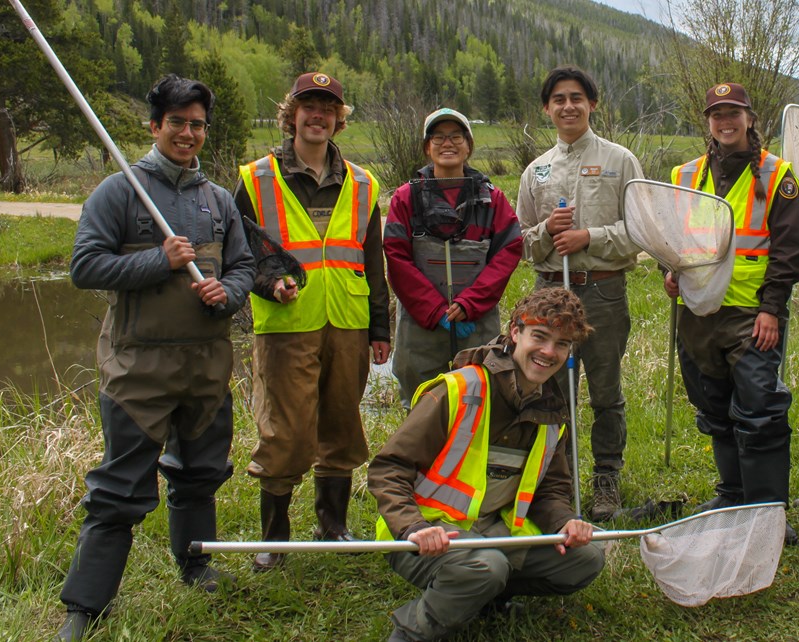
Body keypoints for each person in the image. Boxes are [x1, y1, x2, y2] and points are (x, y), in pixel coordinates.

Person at [59, 74, 255, 641]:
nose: (188, 134)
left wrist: (231, 292)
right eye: (177, 123)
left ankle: (195, 565)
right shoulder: (118, 192)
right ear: (155, 127)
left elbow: (244, 267)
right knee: (119, 489)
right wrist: (158, 261)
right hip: (137, 370)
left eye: (197, 124)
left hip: (206, 366)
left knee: (199, 475)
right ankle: (86, 606)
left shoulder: (218, 200)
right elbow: (85, 267)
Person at [369, 288, 604, 642]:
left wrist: (564, 521)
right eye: (539, 337)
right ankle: (411, 632)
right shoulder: (459, 390)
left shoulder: (553, 410)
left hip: (494, 533)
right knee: (487, 567)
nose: (549, 352)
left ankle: (482, 593)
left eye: (562, 344)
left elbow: (550, 489)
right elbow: (388, 469)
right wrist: (412, 527)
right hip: (425, 533)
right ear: (515, 332)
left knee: (587, 558)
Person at [235, 72, 391, 569]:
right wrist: (268, 283)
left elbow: (372, 258)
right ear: (292, 114)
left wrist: (380, 328)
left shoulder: (363, 182)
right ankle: (274, 540)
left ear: (338, 119)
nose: (318, 115)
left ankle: (333, 526)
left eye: (328, 107)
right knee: (287, 431)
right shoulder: (255, 178)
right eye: (309, 106)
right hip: (286, 324)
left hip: (348, 320)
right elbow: (240, 254)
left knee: (342, 424)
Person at [665, 82, 799, 542]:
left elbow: (789, 252)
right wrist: (670, 272)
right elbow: (672, 239)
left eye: (734, 113)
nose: (725, 122)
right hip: (697, 310)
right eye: (716, 114)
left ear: (750, 118)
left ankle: (767, 513)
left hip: (751, 315)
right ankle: (732, 495)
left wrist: (772, 310)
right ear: (708, 121)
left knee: (760, 410)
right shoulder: (684, 175)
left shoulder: (775, 174)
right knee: (714, 407)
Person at [517, 65, 644, 520]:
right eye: (558, 99)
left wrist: (590, 237)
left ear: (592, 104)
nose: (567, 106)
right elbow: (522, 243)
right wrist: (548, 232)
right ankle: (558, 481)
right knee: (551, 393)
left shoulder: (620, 160)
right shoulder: (536, 171)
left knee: (606, 391)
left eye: (576, 98)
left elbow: (641, 230)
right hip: (550, 295)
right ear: (547, 109)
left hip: (603, 293)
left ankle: (606, 478)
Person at [385, 107, 523, 407]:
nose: (447, 143)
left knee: (477, 403)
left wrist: (470, 302)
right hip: (421, 325)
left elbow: (509, 251)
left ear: (469, 146)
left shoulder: (492, 199)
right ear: (427, 147)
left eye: (456, 136)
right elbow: (396, 257)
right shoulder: (405, 198)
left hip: (476, 322)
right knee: (421, 409)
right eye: (438, 137)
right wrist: (434, 311)